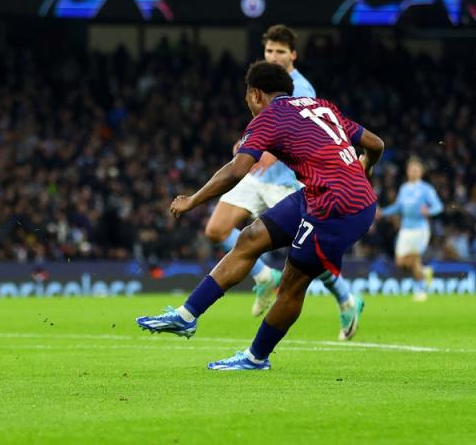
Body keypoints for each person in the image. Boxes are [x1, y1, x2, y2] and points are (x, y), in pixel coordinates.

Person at [136, 61, 384, 370]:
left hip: (337, 206)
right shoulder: (320, 106)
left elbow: (237, 170)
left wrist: (193, 200)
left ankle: (256, 357)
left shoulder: (269, 117)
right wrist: (366, 167)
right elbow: (375, 144)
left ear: (255, 94)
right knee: (249, 238)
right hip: (325, 194)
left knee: (294, 282)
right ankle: (186, 316)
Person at [204, 24, 363, 340]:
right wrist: (245, 147)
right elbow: (263, 124)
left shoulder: (301, 88)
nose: (273, 56)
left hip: (289, 182)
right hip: (258, 174)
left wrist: (261, 153)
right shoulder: (264, 82)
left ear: (293, 54)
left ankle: (347, 298)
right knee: (216, 230)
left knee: (307, 253)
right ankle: (264, 276)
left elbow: (299, 133)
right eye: (269, 51)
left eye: (280, 51)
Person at [378, 158, 444, 301]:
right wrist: (383, 212)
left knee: (414, 259)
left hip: (420, 229)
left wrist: (429, 211)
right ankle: (425, 271)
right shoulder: (404, 188)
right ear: (407, 171)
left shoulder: (426, 189)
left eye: (416, 169)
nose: (413, 172)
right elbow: (398, 207)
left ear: (421, 172)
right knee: (400, 262)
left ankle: (420, 291)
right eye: (411, 169)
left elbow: (439, 206)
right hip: (405, 230)